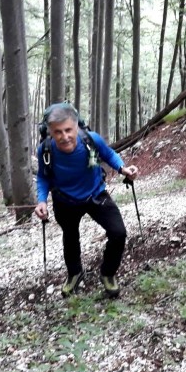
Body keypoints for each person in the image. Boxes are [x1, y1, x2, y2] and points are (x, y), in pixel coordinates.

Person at [34, 103, 139, 298]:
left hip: (95, 194)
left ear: (76, 127)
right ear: (50, 131)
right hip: (64, 200)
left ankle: (108, 273)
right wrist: (41, 200)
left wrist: (123, 168)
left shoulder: (91, 140)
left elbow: (108, 154)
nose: (64, 136)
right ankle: (75, 273)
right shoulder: (45, 150)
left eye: (68, 130)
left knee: (118, 232)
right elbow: (43, 176)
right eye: (58, 132)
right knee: (70, 237)